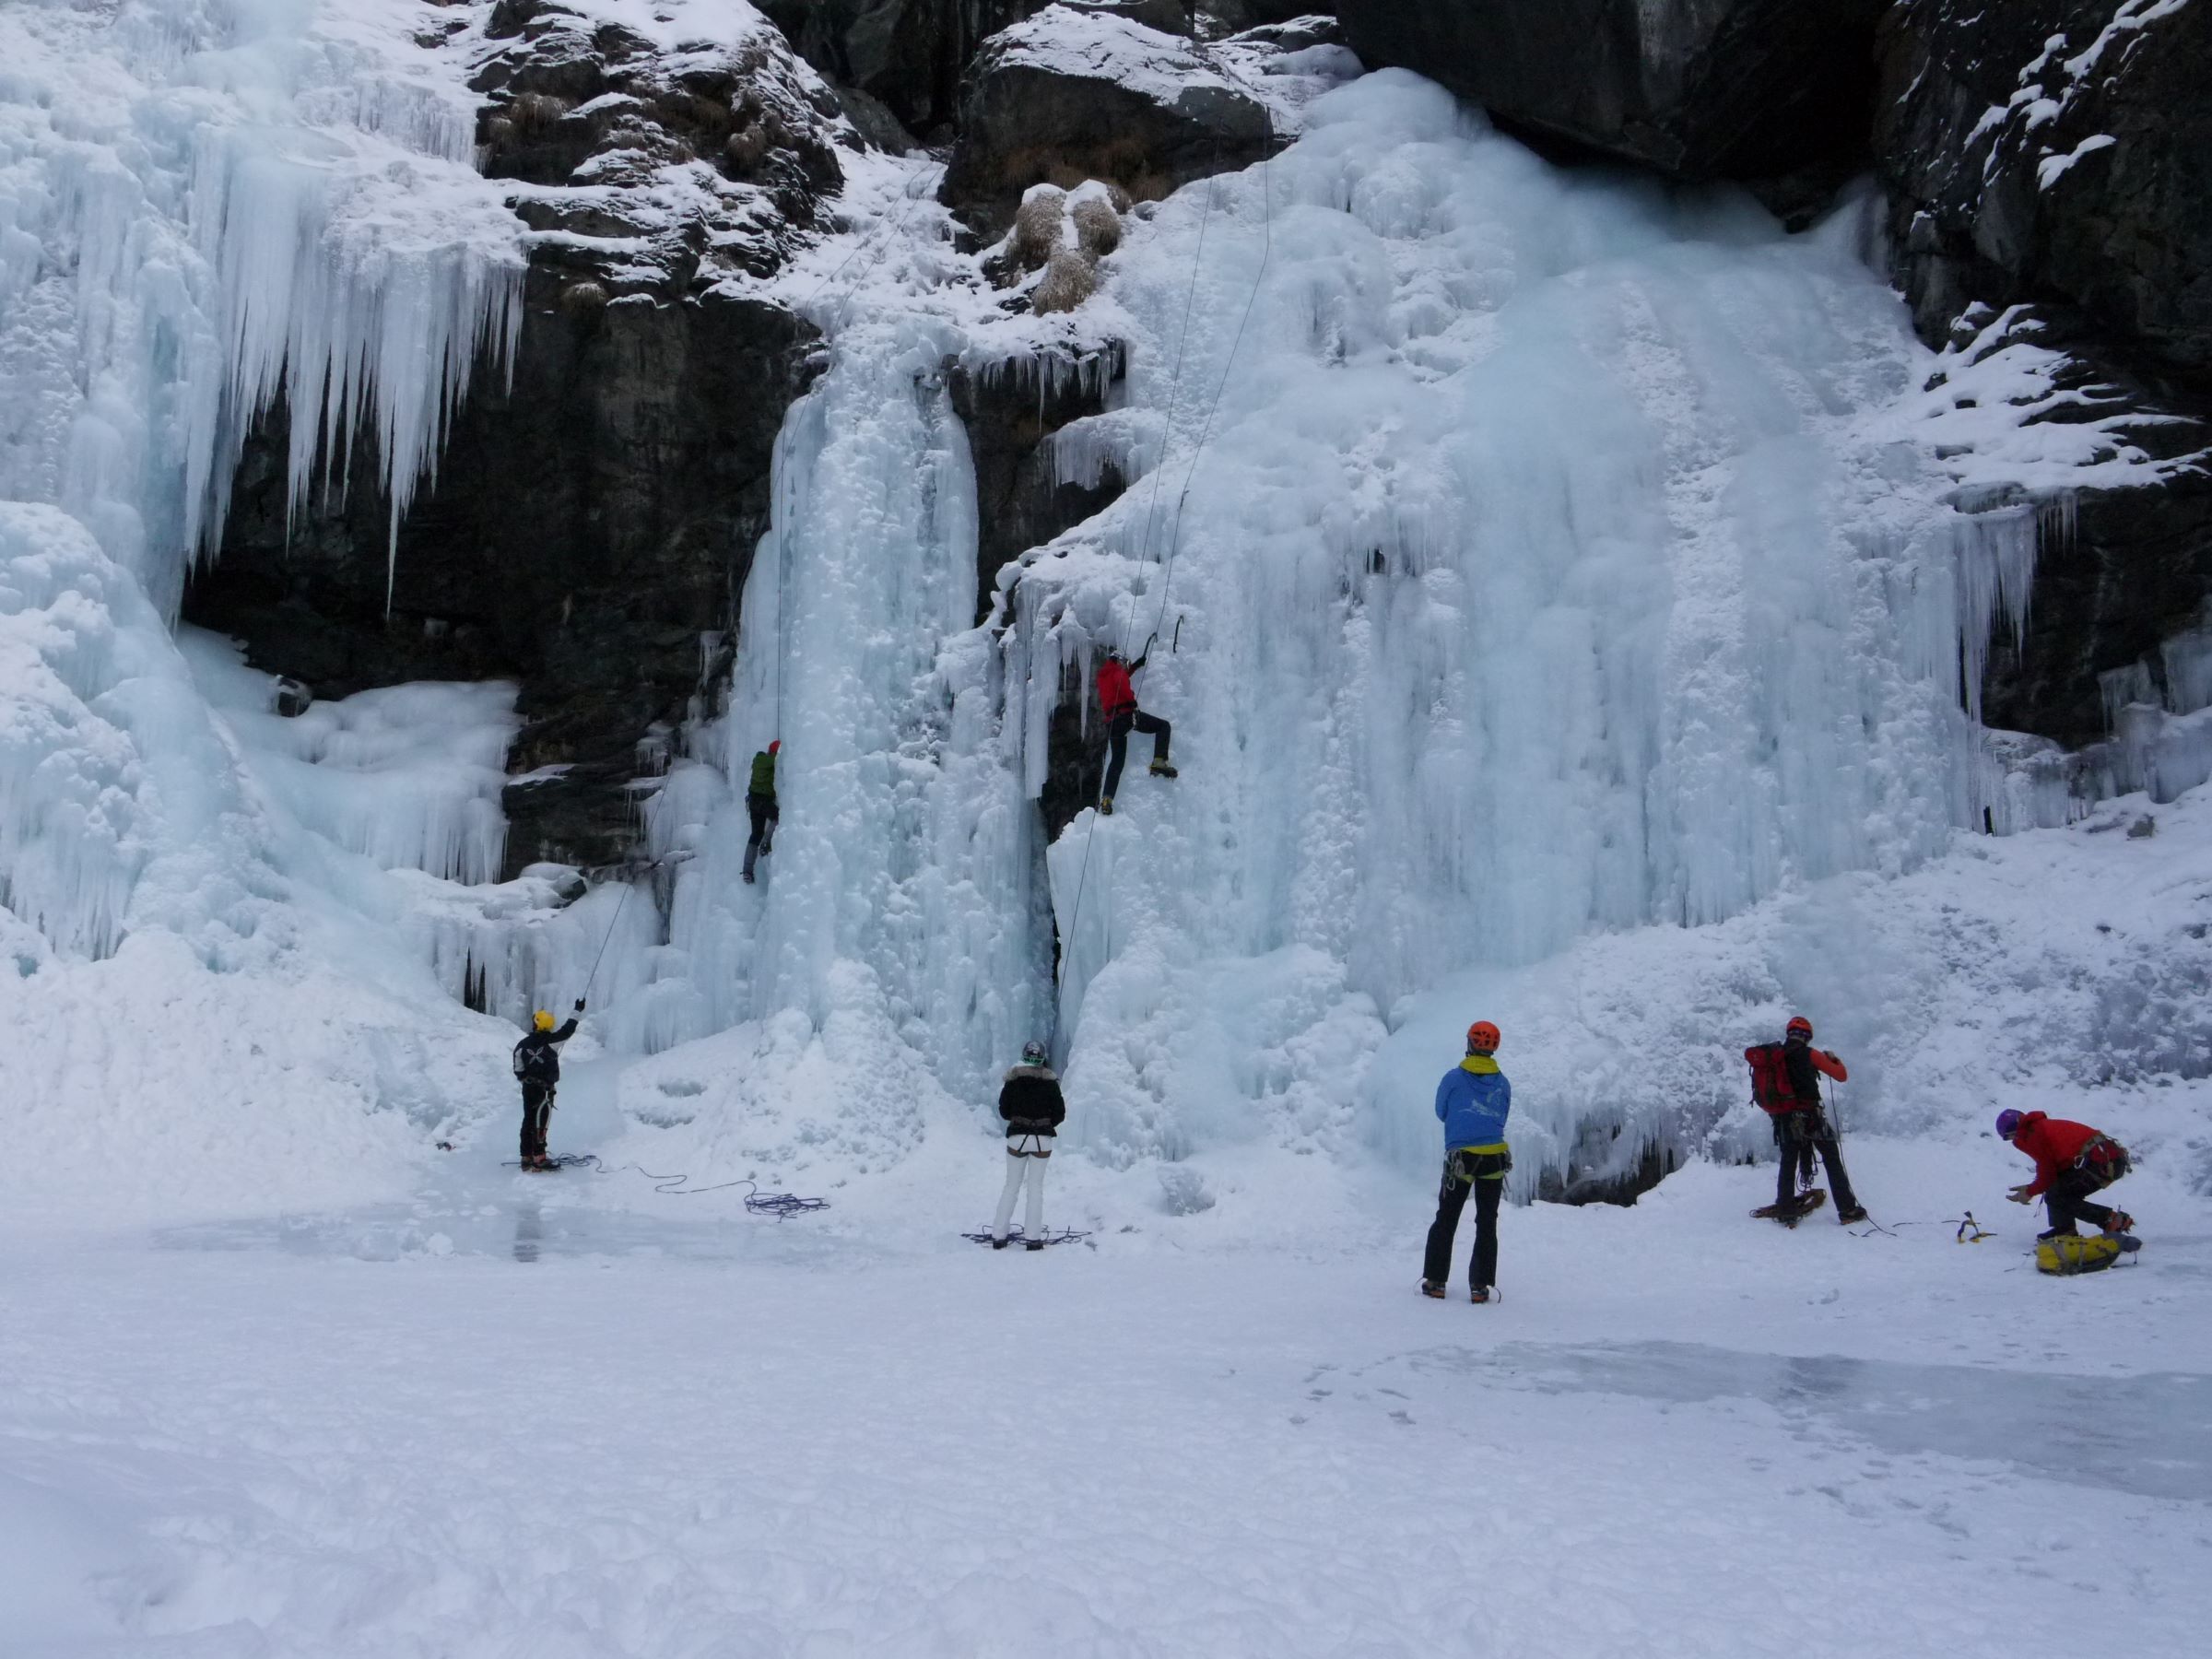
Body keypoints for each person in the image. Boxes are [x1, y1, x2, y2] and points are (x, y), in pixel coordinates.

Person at [1422, 1020, 1512, 1302]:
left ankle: (1436, 1281)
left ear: (1469, 1043)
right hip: (1494, 1158)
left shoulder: (1453, 1078)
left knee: (1446, 1218)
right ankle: (1480, 1287)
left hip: (1460, 1157)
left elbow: (1441, 1111)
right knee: (1487, 1221)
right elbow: (1503, 1115)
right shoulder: (1503, 1082)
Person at [1746, 1016, 1866, 1225]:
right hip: (1811, 1117)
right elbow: (1841, 1075)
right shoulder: (1811, 1055)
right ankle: (1847, 1210)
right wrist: (1834, 1059)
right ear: (1807, 1037)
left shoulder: (1777, 1056)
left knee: (1788, 1161)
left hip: (1784, 1119)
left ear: (1789, 1034)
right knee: (1831, 1159)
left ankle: (1786, 1210)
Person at [1997, 1109, 2135, 1239]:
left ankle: (2110, 1220)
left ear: (2012, 1133)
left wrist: (2029, 1192)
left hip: (2100, 1162)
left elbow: (2048, 1172)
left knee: (2057, 1196)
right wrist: (2034, 1187)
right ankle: (2064, 1229)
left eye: (2010, 1138)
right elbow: (2051, 1170)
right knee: (2056, 1189)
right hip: (2108, 1159)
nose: (2013, 1141)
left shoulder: (2032, 1134)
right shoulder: (2039, 1126)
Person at [992, 1040, 1066, 1249]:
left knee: (1011, 1186)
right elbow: (1060, 1114)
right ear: (1042, 1058)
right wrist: (1044, 1122)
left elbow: (1005, 1112)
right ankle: (1033, 1238)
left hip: (1017, 1137)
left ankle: (998, 1236)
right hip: (1042, 1139)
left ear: (1023, 1056)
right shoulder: (1051, 1083)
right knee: (1035, 1188)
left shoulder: (1012, 1081)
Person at [1095, 645, 1174, 816]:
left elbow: (1119, 677)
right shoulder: (1118, 673)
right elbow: (1122, 682)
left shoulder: (1103, 676)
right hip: (1126, 717)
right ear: (1119, 660)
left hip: (1112, 724)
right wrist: (1132, 703)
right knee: (1163, 726)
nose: (1126, 665)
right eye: (1126, 662)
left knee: (1116, 762)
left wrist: (1135, 666)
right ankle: (1159, 761)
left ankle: (1107, 799)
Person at [512, 1000, 584, 1171]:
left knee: (528, 1119)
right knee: (541, 1121)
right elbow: (568, 1029)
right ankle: (539, 1157)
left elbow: (518, 1070)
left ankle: (526, 1156)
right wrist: (577, 1010)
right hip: (545, 1090)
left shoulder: (522, 1046)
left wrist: (525, 1079)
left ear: (535, 1024)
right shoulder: (553, 1041)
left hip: (529, 1088)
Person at [743, 738, 779, 884]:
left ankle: (747, 871)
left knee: (756, 834)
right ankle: (765, 844)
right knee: (778, 817)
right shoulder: (770, 761)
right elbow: (777, 761)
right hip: (763, 801)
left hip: (753, 802)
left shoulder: (759, 760)